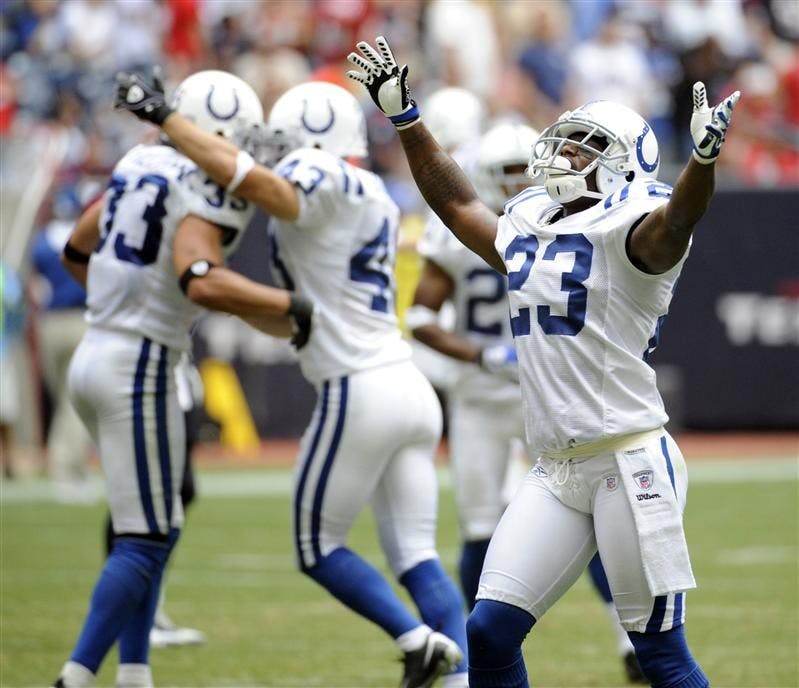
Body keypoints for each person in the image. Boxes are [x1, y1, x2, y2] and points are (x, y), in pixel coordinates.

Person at [347, 36, 740, 687]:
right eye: (565, 139)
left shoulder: (634, 227)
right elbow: (456, 204)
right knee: (488, 631)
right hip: (556, 466)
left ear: (619, 168)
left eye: (585, 147)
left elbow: (674, 224)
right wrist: (406, 119)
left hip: (627, 456)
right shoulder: (531, 219)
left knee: (660, 653)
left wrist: (701, 161)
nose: (562, 152)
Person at [115, 73, 469, 687]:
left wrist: (173, 120)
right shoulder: (378, 192)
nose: (274, 154)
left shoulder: (320, 172)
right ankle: (460, 678)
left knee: (316, 546)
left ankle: (418, 643)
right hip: (406, 381)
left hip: (359, 386)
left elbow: (271, 190)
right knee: (417, 556)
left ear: (309, 139)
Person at [53, 69, 313, 688]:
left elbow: (76, 248)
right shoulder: (206, 181)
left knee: (147, 525)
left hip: (99, 350)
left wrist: (122, 307)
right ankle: (76, 675)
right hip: (139, 363)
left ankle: (135, 672)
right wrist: (290, 308)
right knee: (146, 538)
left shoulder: (138, 163)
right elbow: (202, 278)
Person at [409, 120, 646, 683]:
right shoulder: (466, 231)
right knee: (480, 524)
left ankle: (626, 639)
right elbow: (419, 316)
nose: (519, 183)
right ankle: (477, 654)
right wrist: (482, 356)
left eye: (525, 170)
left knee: (583, 515)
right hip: (481, 396)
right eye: (506, 174)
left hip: (550, 395)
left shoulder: (578, 223)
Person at [30, 186, 95, 503]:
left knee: (63, 398)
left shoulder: (41, 243)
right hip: (80, 321)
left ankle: (67, 466)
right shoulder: (83, 236)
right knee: (73, 400)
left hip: (49, 323)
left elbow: (35, 285)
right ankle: (67, 469)